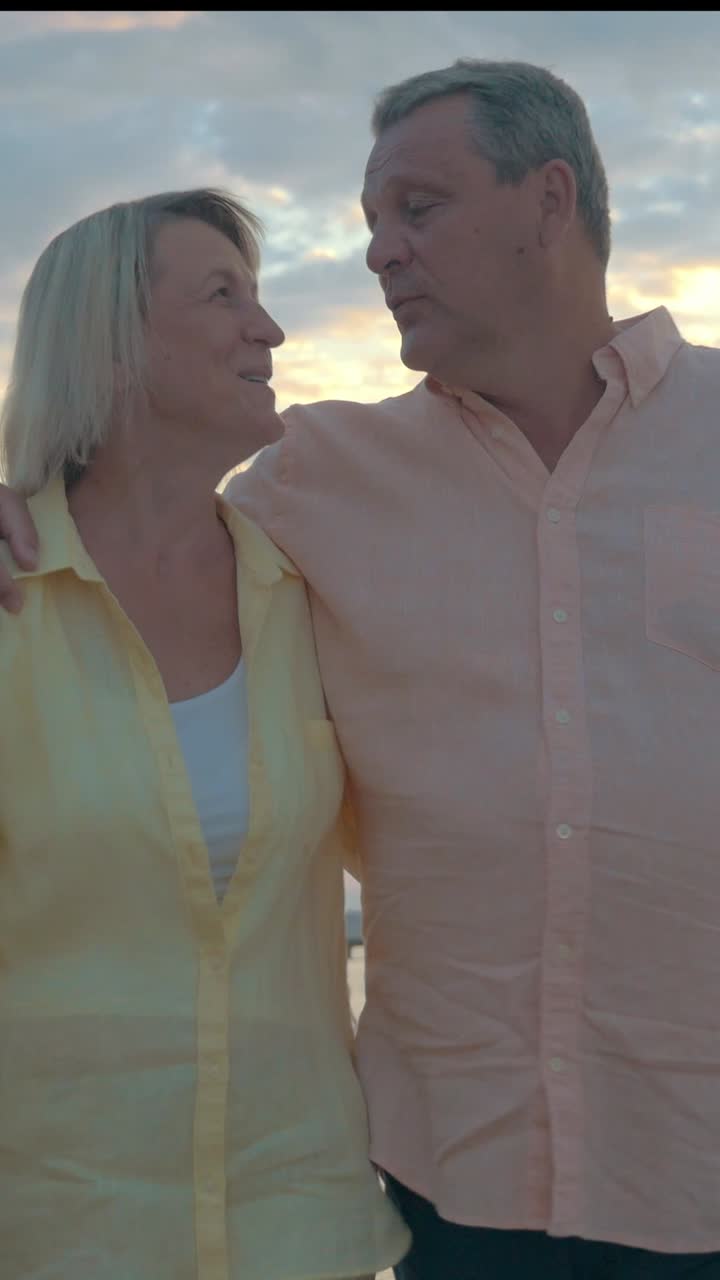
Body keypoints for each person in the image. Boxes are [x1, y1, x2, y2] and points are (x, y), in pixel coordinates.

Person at [3, 56, 720, 1280]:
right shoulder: (315, 478)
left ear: (550, 202)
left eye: (419, 210)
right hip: (451, 1183)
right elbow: (125, 514)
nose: (381, 251)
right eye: (370, 224)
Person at [0, 187, 411, 1280]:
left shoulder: (310, 590)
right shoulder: (12, 600)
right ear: (111, 341)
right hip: (55, 1233)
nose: (268, 330)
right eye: (223, 295)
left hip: (301, 1229)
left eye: (260, 297)